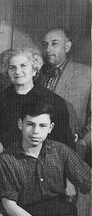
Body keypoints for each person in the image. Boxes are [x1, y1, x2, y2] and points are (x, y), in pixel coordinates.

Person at [0, 100, 92, 216]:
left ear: (50, 128)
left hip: (61, 214)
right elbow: (10, 207)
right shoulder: (6, 159)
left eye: (42, 126)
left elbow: (88, 180)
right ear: (20, 124)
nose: (35, 132)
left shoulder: (60, 150)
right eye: (30, 124)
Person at [0, 48, 74, 149]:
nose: (17, 71)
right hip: (6, 160)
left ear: (34, 70)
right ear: (7, 72)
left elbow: (65, 144)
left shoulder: (54, 101)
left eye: (23, 66)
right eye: (12, 68)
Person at [38, 28, 91, 159]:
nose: (48, 49)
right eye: (45, 44)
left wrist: (83, 143)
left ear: (67, 46)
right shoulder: (35, 74)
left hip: (71, 151)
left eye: (54, 43)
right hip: (37, 149)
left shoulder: (87, 74)